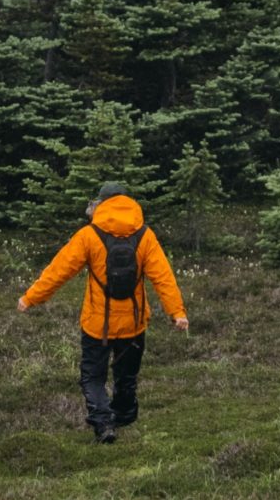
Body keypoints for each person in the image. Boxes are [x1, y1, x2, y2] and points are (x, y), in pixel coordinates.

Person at [16, 182, 187, 443]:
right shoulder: (145, 235)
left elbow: (59, 271)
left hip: (97, 326)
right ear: (128, 202)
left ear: (101, 203)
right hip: (134, 323)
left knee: (93, 377)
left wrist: (31, 298)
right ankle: (125, 416)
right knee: (126, 375)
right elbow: (164, 277)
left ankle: (104, 424)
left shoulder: (89, 235)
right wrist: (177, 312)